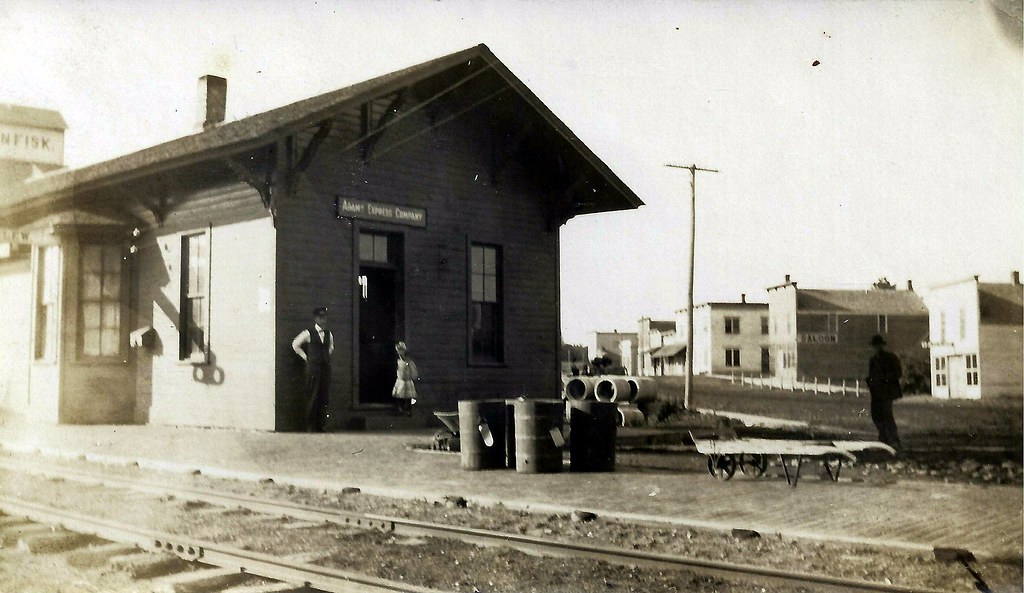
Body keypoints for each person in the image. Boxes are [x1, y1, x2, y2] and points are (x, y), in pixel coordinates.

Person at [292, 307, 334, 432]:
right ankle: (310, 426)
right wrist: (306, 357)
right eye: (320, 317)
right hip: (313, 369)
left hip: (325, 368)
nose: (323, 319)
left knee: (323, 396)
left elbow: (331, 347)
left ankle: (321, 426)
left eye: (324, 316)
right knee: (312, 396)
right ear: (315, 318)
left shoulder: (328, 334)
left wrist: (325, 357)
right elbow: (295, 344)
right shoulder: (308, 333)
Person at [866, 334, 902, 451]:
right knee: (876, 416)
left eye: (878, 346)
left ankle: (894, 440)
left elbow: (898, 373)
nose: (877, 348)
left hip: (887, 392)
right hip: (876, 392)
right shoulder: (873, 360)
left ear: (882, 346)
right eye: (875, 346)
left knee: (887, 415)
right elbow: (871, 375)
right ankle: (883, 439)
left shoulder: (891, 358)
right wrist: (870, 381)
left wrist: (884, 379)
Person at [392, 341, 419, 416]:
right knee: (400, 395)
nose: (400, 353)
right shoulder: (398, 361)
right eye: (398, 352)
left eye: (401, 351)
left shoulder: (409, 362)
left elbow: (413, 371)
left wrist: (412, 376)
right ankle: (400, 409)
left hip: (407, 381)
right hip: (400, 380)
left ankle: (408, 410)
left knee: (408, 396)